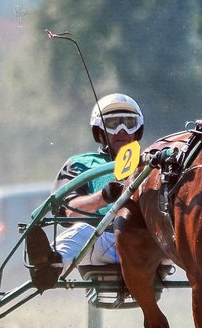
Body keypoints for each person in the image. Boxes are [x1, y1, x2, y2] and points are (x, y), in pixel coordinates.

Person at [26, 93, 145, 290]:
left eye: (129, 123)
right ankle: (50, 266)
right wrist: (104, 196)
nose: (122, 130)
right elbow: (70, 212)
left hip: (145, 244)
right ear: (100, 131)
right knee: (82, 231)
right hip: (102, 241)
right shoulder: (80, 164)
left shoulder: (152, 162)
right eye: (113, 123)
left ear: (138, 129)